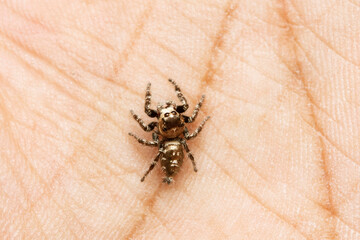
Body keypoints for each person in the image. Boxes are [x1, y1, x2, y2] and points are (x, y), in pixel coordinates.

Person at [0, 0, 358, 239]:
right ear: (165, 119)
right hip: (175, 149)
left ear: (169, 120)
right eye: (167, 112)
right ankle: (161, 174)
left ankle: (163, 174)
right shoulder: (174, 132)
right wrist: (181, 106)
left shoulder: (166, 129)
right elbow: (163, 130)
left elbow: (152, 129)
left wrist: (164, 102)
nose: (170, 112)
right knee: (164, 155)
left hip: (172, 149)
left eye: (170, 111)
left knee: (162, 155)